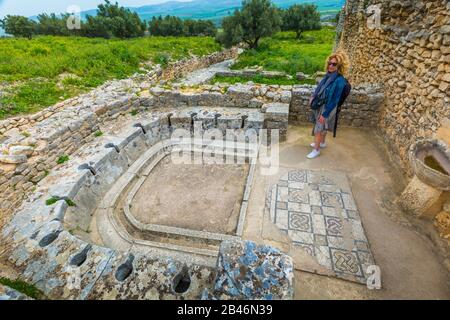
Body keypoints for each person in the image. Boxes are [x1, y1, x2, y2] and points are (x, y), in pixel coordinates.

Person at [307, 51, 349, 159]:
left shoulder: (340, 81)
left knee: (319, 127)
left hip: (328, 107)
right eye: (330, 63)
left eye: (334, 64)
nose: (330, 65)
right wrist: (313, 95)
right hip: (321, 104)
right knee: (323, 126)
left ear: (339, 66)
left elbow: (335, 99)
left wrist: (325, 114)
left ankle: (316, 150)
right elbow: (320, 86)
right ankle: (322, 143)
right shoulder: (329, 75)